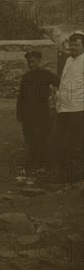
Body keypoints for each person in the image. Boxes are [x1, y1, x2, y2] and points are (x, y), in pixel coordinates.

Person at [51, 31, 84, 183]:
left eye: (77, 45)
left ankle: (76, 178)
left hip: (78, 109)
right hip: (63, 108)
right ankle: (63, 175)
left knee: (75, 144)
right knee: (58, 141)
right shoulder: (68, 60)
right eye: (71, 44)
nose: (73, 47)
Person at [16, 51, 59, 165]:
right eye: (29, 62)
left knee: (41, 135)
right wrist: (19, 113)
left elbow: (60, 83)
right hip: (27, 112)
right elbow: (21, 96)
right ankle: (33, 156)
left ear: (39, 62)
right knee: (28, 135)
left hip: (40, 111)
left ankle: (40, 160)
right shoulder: (26, 77)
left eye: (33, 62)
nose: (31, 64)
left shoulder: (46, 74)